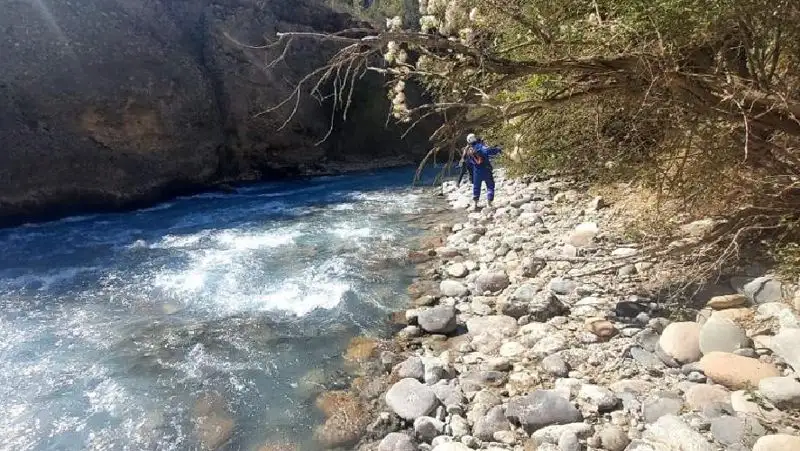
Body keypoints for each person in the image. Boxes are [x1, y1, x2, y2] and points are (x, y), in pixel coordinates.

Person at [466, 133, 502, 210]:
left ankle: (475, 204)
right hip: (486, 169)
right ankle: (489, 203)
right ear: (475, 138)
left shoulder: (469, 150)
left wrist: (470, 175)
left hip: (476, 171)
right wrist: (498, 150)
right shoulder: (480, 146)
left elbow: (468, 164)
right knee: (490, 186)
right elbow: (488, 151)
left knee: (476, 187)